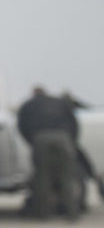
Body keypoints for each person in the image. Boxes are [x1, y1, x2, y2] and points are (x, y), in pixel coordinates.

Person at [17, 85, 82, 219]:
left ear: (34, 94)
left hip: (40, 139)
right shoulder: (59, 102)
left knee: (43, 177)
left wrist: (32, 141)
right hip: (63, 138)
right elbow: (73, 122)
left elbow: (22, 126)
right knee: (67, 176)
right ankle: (72, 213)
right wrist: (71, 141)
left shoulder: (28, 105)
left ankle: (44, 213)